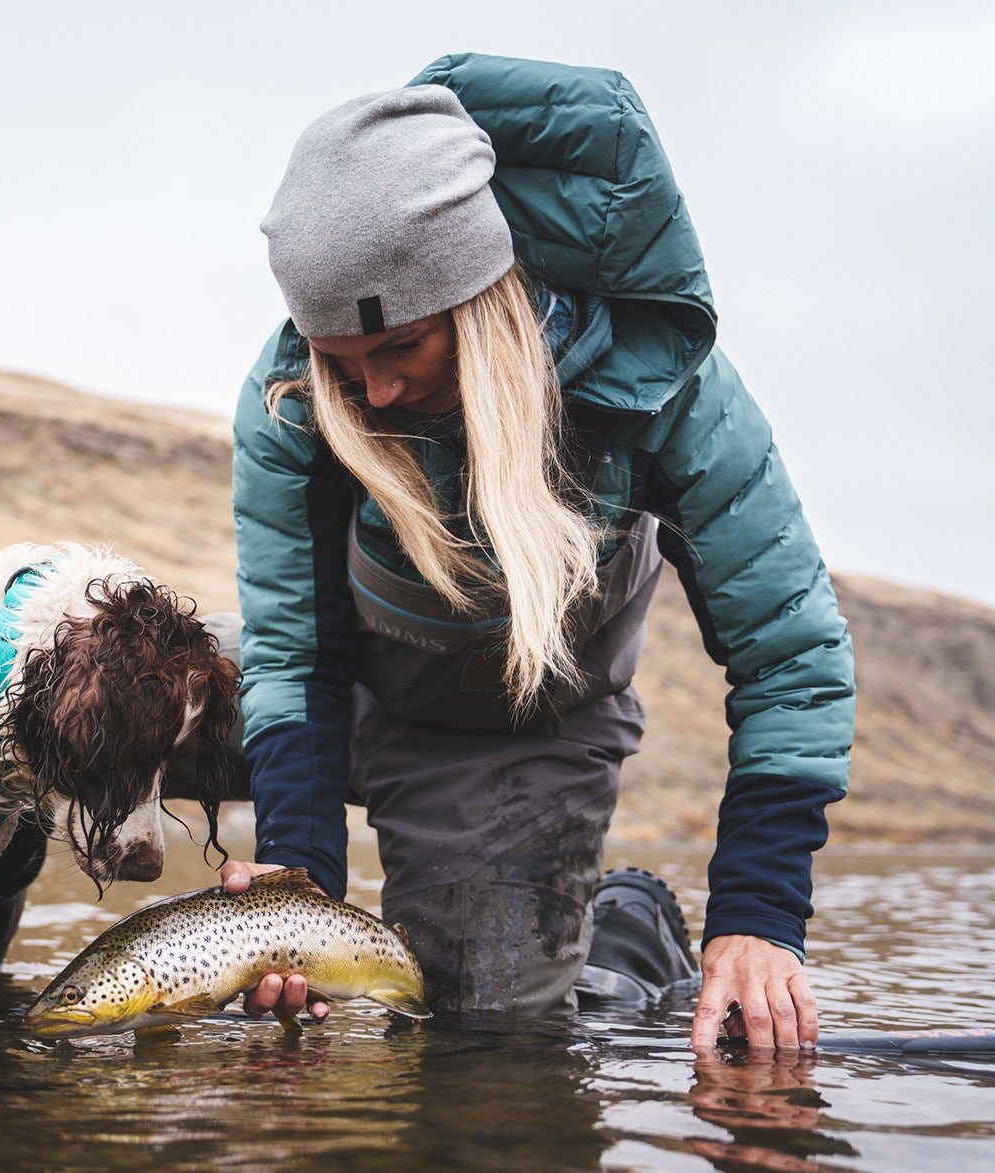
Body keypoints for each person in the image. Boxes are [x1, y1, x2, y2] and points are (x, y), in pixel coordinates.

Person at [215, 54, 852, 1048]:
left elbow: (790, 655)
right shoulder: (293, 398)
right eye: (344, 363)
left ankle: (625, 939)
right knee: (51, 690)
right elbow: (294, 656)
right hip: (340, 684)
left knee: (482, 1046)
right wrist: (297, 878)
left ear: (483, 302)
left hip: (515, 730)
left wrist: (758, 918)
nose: (374, 393)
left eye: (401, 348)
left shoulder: (661, 387)